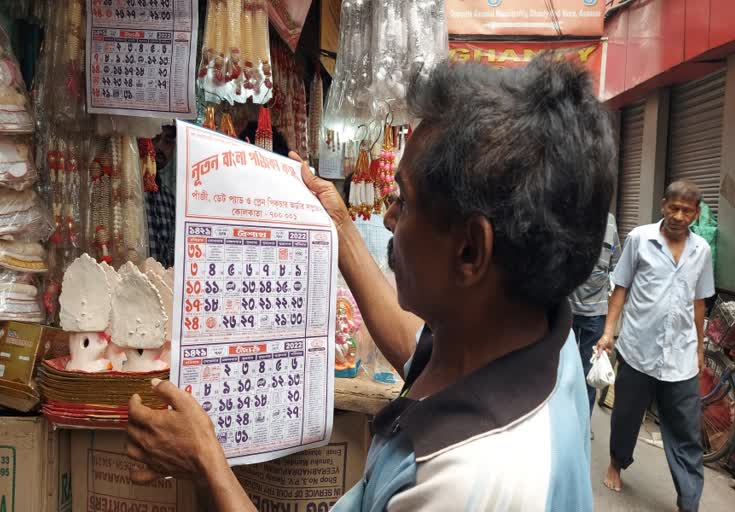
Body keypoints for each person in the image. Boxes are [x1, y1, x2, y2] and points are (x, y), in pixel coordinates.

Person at [125, 56, 615, 510]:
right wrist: (338, 228)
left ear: (470, 250)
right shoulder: (535, 334)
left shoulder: (464, 482)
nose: (386, 219)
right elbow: (414, 350)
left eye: (403, 200)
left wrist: (208, 465)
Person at [597, 181, 715, 512]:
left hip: (681, 355)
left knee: (686, 431)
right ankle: (617, 463)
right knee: (626, 416)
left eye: (686, 210)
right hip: (637, 349)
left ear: (696, 213)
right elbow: (620, 289)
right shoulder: (639, 239)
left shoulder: (701, 250)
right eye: (673, 207)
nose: (679, 215)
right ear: (663, 205)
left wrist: (700, 348)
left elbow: (699, 301)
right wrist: (609, 333)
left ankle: (689, 500)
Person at [570, 212, 621, 419]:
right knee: (562, 368)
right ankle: (561, 422)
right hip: (566, 310)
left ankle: (583, 422)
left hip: (596, 313)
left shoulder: (609, 222)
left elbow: (617, 264)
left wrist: (610, 292)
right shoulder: (567, 215)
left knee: (589, 373)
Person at [144, 124, 177, 268]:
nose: (160, 147)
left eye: (168, 140)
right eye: (155, 138)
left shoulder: (169, 199)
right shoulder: (128, 191)